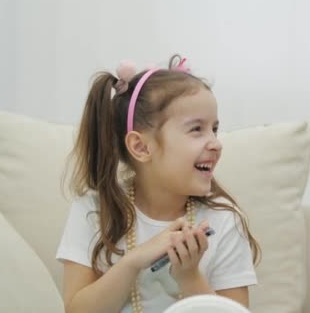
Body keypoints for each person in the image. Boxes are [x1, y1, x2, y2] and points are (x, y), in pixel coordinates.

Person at [56, 55, 260, 313]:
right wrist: (133, 262)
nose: (215, 143)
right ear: (140, 147)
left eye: (215, 129)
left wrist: (189, 276)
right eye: (197, 129)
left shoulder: (224, 219)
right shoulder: (94, 210)